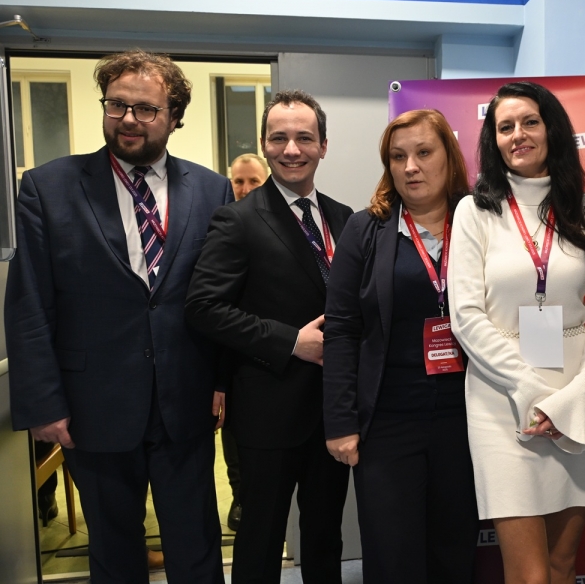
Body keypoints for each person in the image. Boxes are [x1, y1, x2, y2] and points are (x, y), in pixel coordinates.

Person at [5, 49, 232, 584]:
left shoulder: (211, 190)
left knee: (196, 545)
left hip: (185, 402)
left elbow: (221, 298)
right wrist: (43, 405)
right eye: (117, 105)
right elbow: (30, 303)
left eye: (146, 109)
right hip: (93, 407)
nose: (129, 118)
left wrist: (223, 379)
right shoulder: (47, 187)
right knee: (112, 551)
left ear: (174, 117)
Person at [448, 82, 585, 584]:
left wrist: (578, 395)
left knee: (563, 566)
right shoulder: (475, 211)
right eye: (505, 127)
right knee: (529, 575)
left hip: (577, 398)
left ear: (551, 129)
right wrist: (530, 390)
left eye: (529, 122)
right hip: (503, 401)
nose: (518, 135)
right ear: (493, 140)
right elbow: (466, 315)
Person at [185, 89, 353, 584]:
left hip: (333, 412)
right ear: (264, 144)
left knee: (325, 538)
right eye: (279, 138)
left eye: (304, 138)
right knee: (260, 542)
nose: (291, 149)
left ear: (324, 145)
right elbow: (203, 307)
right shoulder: (237, 219)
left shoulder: (345, 218)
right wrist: (290, 341)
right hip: (267, 415)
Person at [323, 109, 479, 583]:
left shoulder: (481, 224)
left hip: (467, 420)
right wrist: (341, 422)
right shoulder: (364, 230)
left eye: (423, 152)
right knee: (393, 558)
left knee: (455, 553)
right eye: (397, 156)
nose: (410, 166)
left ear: (449, 158)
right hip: (388, 424)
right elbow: (342, 329)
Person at [219, 152, 268, 532]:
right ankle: (240, 495)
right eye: (239, 181)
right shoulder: (224, 225)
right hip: (230, 353)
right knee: (232, 433)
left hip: (272, 352)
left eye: (253, 181)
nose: (245, 188)